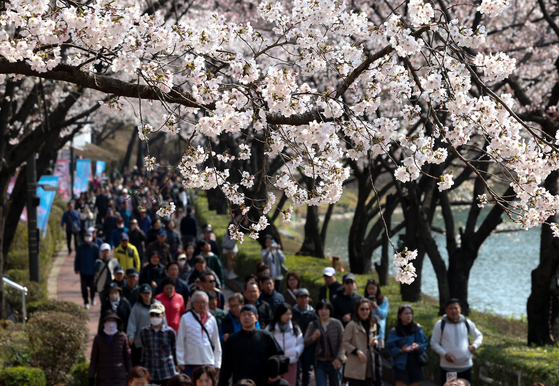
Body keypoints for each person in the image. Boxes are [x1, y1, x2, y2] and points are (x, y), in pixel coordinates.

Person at [218, 304, 285, 386]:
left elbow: (280, 356)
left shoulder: (266, 336)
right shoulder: (232, 340)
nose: (246, 317)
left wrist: (275, 374)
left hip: (262, 382)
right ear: (240, 317)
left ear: (256, 318)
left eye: (250, 314)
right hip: (240, 383)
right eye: (243, 314)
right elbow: (226, 367)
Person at [431, 299, 483, 386]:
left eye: (456, 308)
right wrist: (444, 354)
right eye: (451, 308)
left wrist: (475, 346)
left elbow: (479, 336)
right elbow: (434, 343)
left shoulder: (467, 323)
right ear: (446, 310)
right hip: (448, 368)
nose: (454, 311)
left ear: (460, 309)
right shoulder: (440, 324)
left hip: (465, 366)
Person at [176, 291, 222, 378]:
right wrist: (180, 360)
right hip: (190, 362)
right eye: (199, 302)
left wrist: (217, 363)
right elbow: (180, 340)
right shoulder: (185, 318)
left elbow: (216, 342)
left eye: (204, 302)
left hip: (208, 361)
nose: (202, 305)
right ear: (193, 304)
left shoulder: (212, 319)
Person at [304, 299, 345, 386]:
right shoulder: (313, 324)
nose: (323, 311)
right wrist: (313, 337)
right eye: (321, 309)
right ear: (317, 311)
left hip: (335, 362)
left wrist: (339, 358)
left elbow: (343, 342)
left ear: (330, 310)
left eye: (326, 309)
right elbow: (305, 342)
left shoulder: (337, 324)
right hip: (320, 363)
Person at [386, 304, 428, 386]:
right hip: (400, 363)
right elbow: (390, 347)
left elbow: (424, 343)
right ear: (400, 316)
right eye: (406, 313)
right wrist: (400, 350)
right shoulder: (395, 331)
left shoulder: (417, 328)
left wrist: (418, 346)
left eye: (410, 313)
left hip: (415, 362)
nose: (408, 316)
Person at [89, 311, 133, 386]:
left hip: (120, 378)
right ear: (103, 323)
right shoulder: (98, 338)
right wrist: (91, 376)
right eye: (109, 320)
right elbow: (94, 359)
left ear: (117, 322)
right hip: (103, 379)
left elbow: (127, 358)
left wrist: (131, 375)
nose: (111, 323)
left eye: (113, 320)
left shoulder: (122, 337)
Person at [127, 283, 166, 367]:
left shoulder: (158, 305)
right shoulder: (136, 307)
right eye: (144, 293)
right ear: (141, 294)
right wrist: (131, 335)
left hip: (157, 341)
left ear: (151, 293)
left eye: (148, 293)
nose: (146, 295)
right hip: (141, 342)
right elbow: (132, 322)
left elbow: (164, 320)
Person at [342, 298, 378, 386]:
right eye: (362, 309)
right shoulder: (352, 325)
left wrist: (375, 343)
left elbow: (376, 339)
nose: (365, 311)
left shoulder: (373, 324)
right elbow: (344, 343)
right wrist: (357, 351)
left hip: (369, 362)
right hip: (355, 363)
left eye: (367, 309)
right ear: (357, 310)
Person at [140, 303, 178, 386]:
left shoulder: (170, 332)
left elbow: (174, 350)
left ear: (163, 315)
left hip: (167, 371)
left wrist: (177, 365)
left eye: (157, 314)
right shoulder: (144, 332)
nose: (154, 317)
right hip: (150, 371)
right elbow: (144, 351)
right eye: (152, 314)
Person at [266, 303, 304, 385]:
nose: (289, 317)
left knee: (290, 384)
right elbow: (265, 344)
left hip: (291, 362)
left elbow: (300, 343)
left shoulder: (295, 327)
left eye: (290, 314)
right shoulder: (270, 328)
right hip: (275, 364)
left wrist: (296, 353)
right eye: (286, 314)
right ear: (280, 314)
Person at [292, 289, 317, 386]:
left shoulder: (313, 314)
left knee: (307, 371)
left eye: (305, 297)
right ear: (296, 299)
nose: (303, 300)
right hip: (296, 345)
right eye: (301, 297)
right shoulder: (292, 313)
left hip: (309, 345)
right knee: (297, 370)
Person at [75, 230, 99, 309]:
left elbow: (97, 259)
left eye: (90, 236)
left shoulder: (95, 247)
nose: (88, 238)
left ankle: (92, 298)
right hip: (83, 271)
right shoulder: (80, 247)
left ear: (92, 237)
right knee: (84, 287)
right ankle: (86, 301)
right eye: (86, 236)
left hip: (92, 271)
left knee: (92, 287)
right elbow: (77, 258)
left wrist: (98, 268)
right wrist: (76, 268)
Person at [364, 279, 389, 348]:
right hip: (366, 331)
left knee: (378, 352)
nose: (371, 291)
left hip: (379, 333)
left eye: (373, 288)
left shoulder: (383, 300)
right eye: (369, 288)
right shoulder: (364, 300)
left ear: (377, 288)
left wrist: (376, 307)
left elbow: (383, 316)